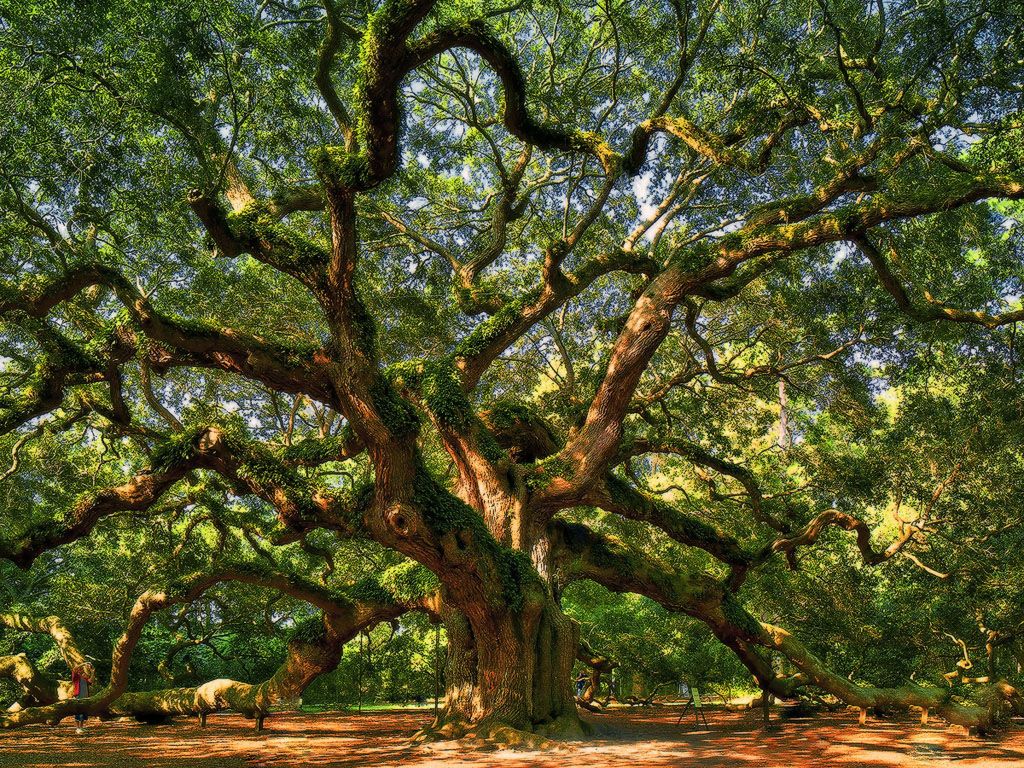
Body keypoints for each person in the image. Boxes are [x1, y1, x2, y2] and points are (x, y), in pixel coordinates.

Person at [71, 663, 95, 734]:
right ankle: (77, 728)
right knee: (78, 712)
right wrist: (84, 663)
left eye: (82, 669)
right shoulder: (75, 677)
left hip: (85, 697)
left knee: (83, 712)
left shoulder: (84, 678)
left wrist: (92, 672)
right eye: (80, 669)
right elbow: (74, 669)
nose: (81, 670)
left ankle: (81, 727)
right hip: (78, 696)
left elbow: (91, 681)